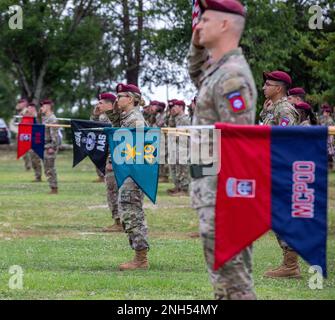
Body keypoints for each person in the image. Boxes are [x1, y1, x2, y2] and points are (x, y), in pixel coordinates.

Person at [188, 0, 257, 300]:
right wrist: (196, 46)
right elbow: (196, 75)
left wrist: (230, 204)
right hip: (212, 191)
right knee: (224, 284)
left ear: (225, 24)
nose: (198, 25)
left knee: (235, 284)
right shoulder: (218, 71)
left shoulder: (232, 77)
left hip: (224, 195)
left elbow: (239, 146)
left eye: (204, 20)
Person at [100, 83, 150, 271]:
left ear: (130, 98)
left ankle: (141, 258)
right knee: (127, 209)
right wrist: (111, 111)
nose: (117, 99)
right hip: (129, 169)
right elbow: (117, 128)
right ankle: (139, 255)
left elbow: (136, 148)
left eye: (120, 96)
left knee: (131, 210)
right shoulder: (126, 117)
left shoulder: (135, 119)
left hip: (134, 170)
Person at [261, 71, 302, 279]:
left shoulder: (285, 109)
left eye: (267, 84)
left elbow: (284, 138)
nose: (263, 88)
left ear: (278, 88)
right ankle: (290, 262)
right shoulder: (273, 108)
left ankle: (291, 264)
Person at [91, 93, 123, 232]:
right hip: (109, 157)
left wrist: (111, 159)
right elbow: (94, 131)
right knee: (111, 189)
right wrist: (94, 116)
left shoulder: (113, 118)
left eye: (101, 103)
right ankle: (118, 220)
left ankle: (119, 221)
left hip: (114, 157)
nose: (98, 105)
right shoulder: (104, 117)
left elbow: (115, 140)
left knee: (113, 190)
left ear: (110, 104)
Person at [167, 100, 190, 196]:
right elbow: (171, 127)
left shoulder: (185, 119)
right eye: (171, 107)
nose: (172, 109)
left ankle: (184, 189)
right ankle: (178, 186)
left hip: (184, 146)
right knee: (175, 167)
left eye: (174, 107)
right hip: (176, 145)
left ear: (181, 107)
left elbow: (184, 134)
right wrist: (171, 116)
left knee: (183, 167)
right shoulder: (175, 118)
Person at [40, 99, 59, 194]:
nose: (41, 108)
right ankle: (52, 187)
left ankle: (54, 188)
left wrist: (52, 146)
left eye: (43, 106)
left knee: (50, 167)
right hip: (45, 145)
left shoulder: (52, 119)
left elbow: (54, 135)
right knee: (47, 168)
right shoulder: (45, 118)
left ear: (48, 106)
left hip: (50, 146)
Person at [26, 102, 42, 182]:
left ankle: (38, 176)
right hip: (30, 140)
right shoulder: (29, 117)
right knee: (32, 160)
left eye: (29, 108)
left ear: (33, 108)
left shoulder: (37, 117)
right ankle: (37, 175)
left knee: (36, 159)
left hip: (37, 140)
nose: (28, 110)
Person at [16, 99, 32, 171]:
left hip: (26, 132)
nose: (19, 104)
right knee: (24, 150)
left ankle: (29, 166)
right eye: (19, 103)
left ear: (25, 103)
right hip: (22, 132)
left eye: (21, 103)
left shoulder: (26, 110)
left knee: (26, 150)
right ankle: (27, 165)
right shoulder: (21, 111)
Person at [319, 103, 335, 170]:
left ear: (328, 113)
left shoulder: (330, 120)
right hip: (325, 137)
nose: (324, 113)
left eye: (325, 112)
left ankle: (330, 166)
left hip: (329, 138)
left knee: (330, 152)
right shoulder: (323, 119)